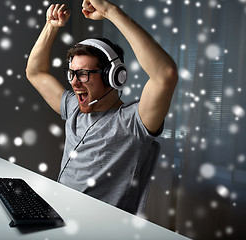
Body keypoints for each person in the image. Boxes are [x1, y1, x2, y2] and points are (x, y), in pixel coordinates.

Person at [26, 0, 178, 214]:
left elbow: (165, 75)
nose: (74, 82)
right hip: (58, 213)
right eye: (72, 73)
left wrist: (110, 12)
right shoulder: (73, 108)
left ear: (114, 77)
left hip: (97, 227)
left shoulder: (133, 121)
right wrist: (51, 27)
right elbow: (35, 73)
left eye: (83, 74)